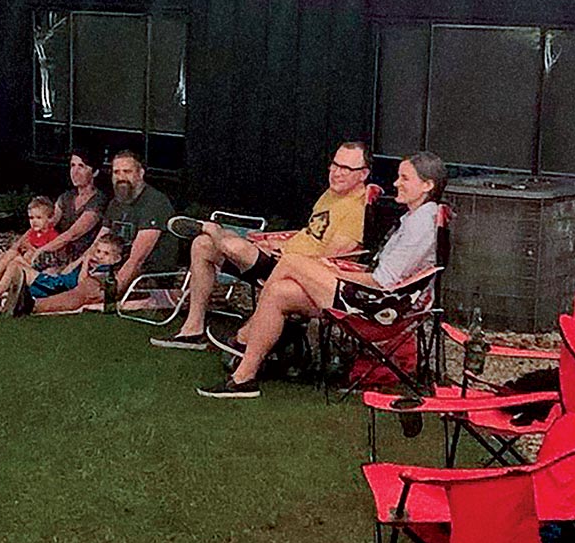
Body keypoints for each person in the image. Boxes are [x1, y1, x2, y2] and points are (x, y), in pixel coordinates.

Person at [197, 152, 447, 399]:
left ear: (427, 185)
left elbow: (382, 282)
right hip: (377, 297)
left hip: (380, 308)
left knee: (293, 263)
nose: (396, 184)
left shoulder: (421, 226)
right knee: (279, 291)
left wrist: (334, 272)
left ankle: (245, 336)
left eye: (404, 178)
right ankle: (244, 378)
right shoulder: (417, 217)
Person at [151, 141, 372, 350]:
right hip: (280, 255)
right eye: (334, 164)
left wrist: (283, 252)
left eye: (346, 168)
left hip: (293, 271)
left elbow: (331, 260)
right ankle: (193, 328)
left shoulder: (357, 209)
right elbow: (313, 234)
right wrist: (277, 240)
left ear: (363, 174)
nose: (337, 172)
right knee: (202, 245)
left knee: (233, 247)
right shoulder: (332, 194)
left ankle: (215, 229)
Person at [0, 150, 107, 294]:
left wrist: (41, 250)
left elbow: (72, 234)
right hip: (54, 250)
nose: (75, 172)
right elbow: (46, 224)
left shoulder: (98, 201)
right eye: (72, 165)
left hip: (71, 257)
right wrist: (17, 245)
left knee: (20, 260)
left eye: (82, 166)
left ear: (95, 172)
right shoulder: (66, 197)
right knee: (13, 253)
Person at [0, 232, 125, 316]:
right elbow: (68, 271)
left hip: (58, 288)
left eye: (106, 254)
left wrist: (85, 262)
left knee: (17, 266)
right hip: (56, 281)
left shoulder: (104, 272)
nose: (99, 256)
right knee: (17, 263)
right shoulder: (95, 264)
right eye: (98, 251)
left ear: (116, 259)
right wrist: (83, 259)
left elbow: (82, 284)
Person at [98, 150, 177, 300]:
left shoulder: (155, 202)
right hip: (113, 268)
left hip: (147, 278)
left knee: (87, 294)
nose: (121, 177)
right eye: (116, 172)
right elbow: (99, 241)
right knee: (82, 289)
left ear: (140, 173)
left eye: (127, 171)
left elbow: (136, 261)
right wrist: (81, 272)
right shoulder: (115, 203)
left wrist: (110, 295)